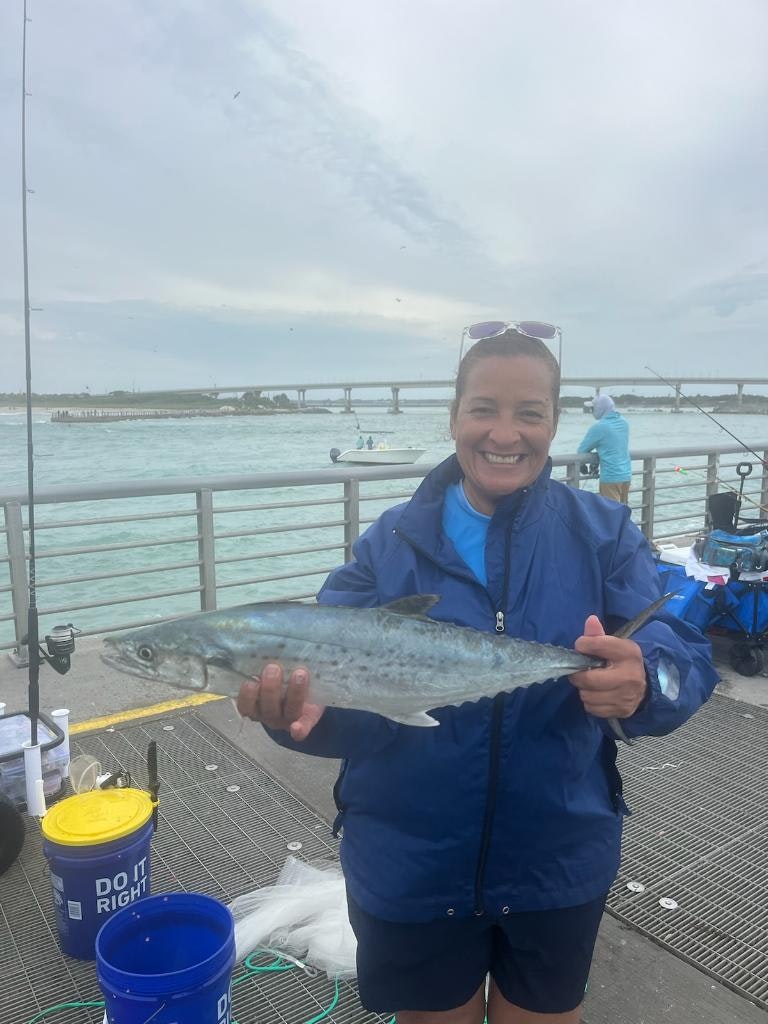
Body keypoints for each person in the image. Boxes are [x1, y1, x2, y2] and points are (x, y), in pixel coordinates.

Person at [237, 329, 718, 1024]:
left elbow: (681, 646)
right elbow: (336, 694)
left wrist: (650, 679)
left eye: (530, 414)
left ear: (555, 423)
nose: (505, 434)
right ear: (454, 416)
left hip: (557, 860)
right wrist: (298, 719)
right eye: (483, 409)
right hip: (410, 867)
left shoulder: (603, 532)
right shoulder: (389, 543)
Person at [577, 395, 631, 504]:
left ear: (600, 409)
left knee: (611, 512)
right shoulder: (624, 423)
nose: (591, 411)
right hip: (626, 475)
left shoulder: (599, 427)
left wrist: (583, 465)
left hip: (610, 477)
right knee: (623, 509)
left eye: (593, 408)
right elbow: (612, 446)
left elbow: (582, 450)